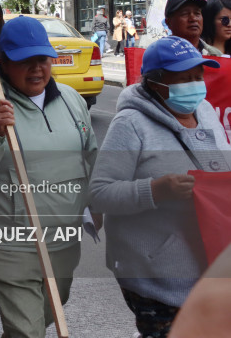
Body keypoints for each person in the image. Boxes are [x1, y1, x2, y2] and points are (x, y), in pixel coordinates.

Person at [0, 15, 97, 338]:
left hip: (62, 242)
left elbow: (91, 159)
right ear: (2, 62)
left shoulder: (72, 101)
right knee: (27, 332)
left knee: (44, 316)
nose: (36, 68)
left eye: (42, 59)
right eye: (24, 61)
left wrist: (96, 207)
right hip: (11, 246)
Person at [89, 36, 228, 338]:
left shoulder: (204, 110)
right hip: (156, 276)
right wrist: (155, 190)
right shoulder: (130, 124)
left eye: (199, 75)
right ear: (156, 83)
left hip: (208, 263)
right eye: (185, 78)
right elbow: (99, 194)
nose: (195, 84)